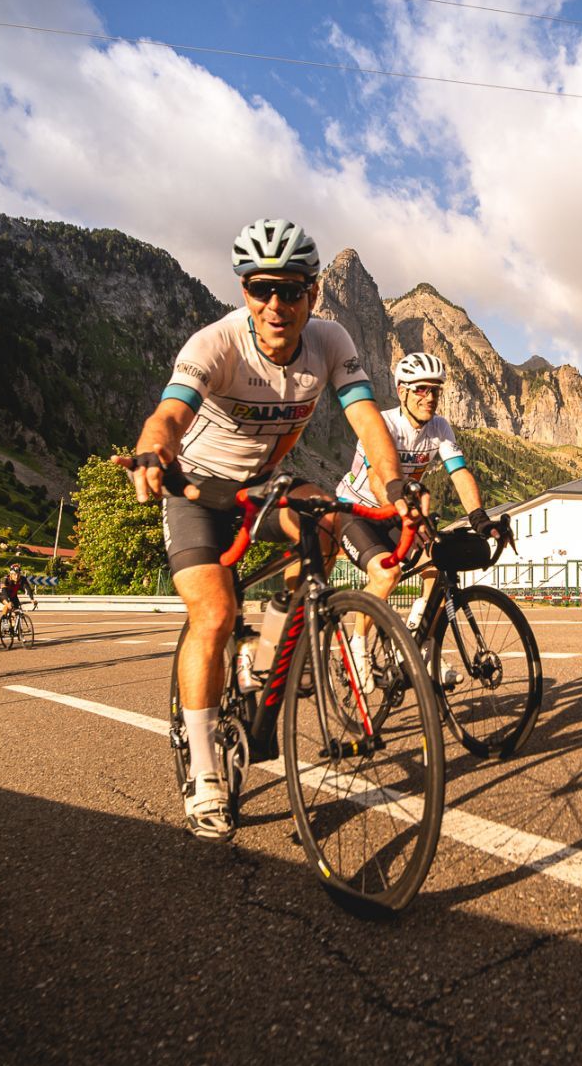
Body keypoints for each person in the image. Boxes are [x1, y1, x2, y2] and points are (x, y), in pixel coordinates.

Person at [116, 217, 418, 842]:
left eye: (290, 290)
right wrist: (153, 451)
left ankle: (269, 651)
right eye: (261, 288)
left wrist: (395, 487)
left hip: (262, 487)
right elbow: (169, 415)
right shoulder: (217, 344)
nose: (275, 304)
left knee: (327, 516)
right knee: (215, 615)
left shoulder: (330, 341)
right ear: (245, 291)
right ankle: (205, 772)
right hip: (199, 491)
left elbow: (368, 422)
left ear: (313, 293)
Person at [335, 352, 502, 689]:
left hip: (401, 511)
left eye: (435, 390)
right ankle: (357, 647)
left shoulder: (439, 428)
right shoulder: (382, 424)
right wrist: (407, 514)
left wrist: (479, 517)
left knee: (440, 562)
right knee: (387, 574)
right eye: (421, 389)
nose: (430, 397)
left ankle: (421, 642)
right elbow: (378, 480)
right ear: (402, 391)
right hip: (358, 511)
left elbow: (459, 473)